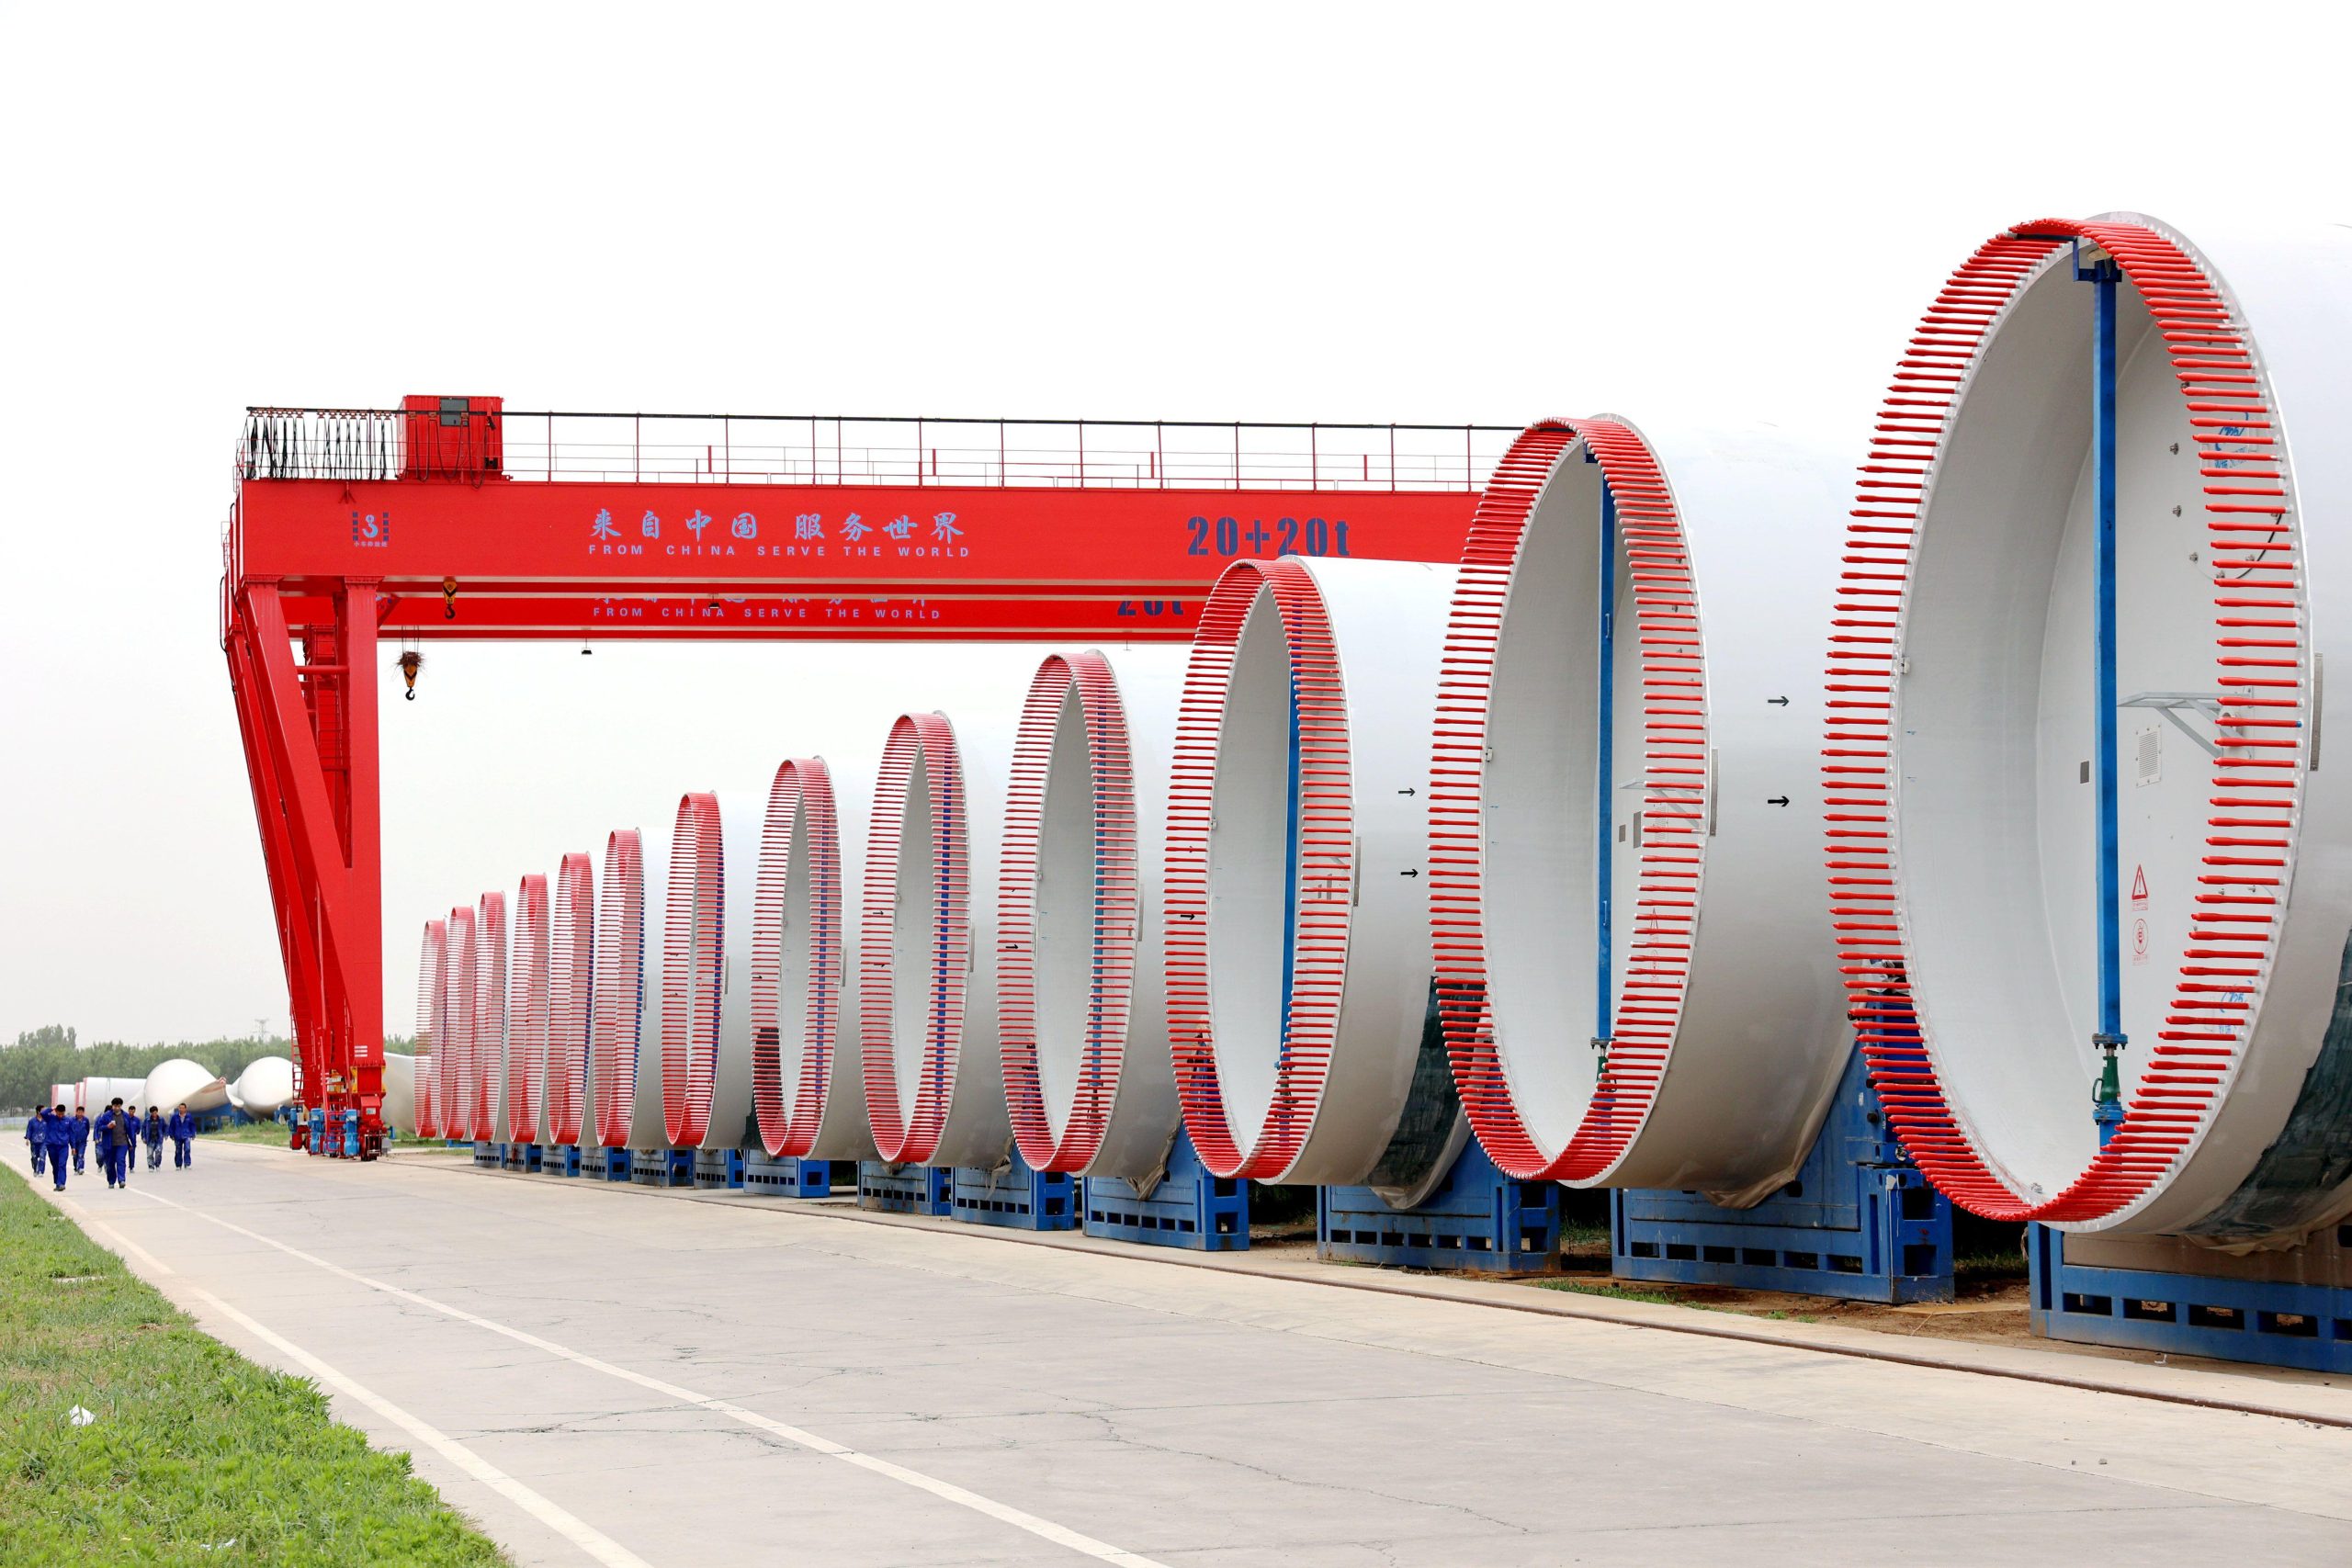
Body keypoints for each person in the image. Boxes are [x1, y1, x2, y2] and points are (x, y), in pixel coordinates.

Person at [42, 1106, 70, 1191]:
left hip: (63, 1146)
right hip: (52, 1146)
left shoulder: (68, 1121)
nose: (61, 1115)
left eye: (62, 1114)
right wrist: (52, 1108)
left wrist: (73, 1147)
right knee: (55, 1165)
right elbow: (43, 1113)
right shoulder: (50, 1118)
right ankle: (57, 1182)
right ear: (56, 1112)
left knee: (62, 1164)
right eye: (59, 1113)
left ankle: (61, 1184)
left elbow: (71, 1134)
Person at [169, 1104, 196, 1169]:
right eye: (180, 1108)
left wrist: (193, 1134)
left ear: (185, 1109)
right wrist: (171, 1135)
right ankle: (178, 1165)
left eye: (183, 1108)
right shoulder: (175, 1117)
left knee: (187, 1149)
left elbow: (192, 1125)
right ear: (178, 1108)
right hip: (177, 1136)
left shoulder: (189, 1116)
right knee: (178, 1150)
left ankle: (187, 1164)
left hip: (187, 1135)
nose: (181, 1109)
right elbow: (172, 1126)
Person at [68, 1106, 90, 1175]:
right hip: (74, 1141)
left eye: (81, 1112)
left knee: (81, 1154)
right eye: (79, 1112)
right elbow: (70, 1131)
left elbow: (88, 1129)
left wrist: (85, 1135)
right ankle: (76, 1168)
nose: (80, 1114)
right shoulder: (72, 1120)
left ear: (83, 1113)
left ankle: (80, 1168)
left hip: (82, 1141)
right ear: (76, 1112)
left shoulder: (86, 1120)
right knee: (75, 1156)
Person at [144, 1105, 165, 1170]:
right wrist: (143, 1137)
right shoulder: (147, 1120)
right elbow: (143, 1129)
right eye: (153, 1113)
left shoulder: (161, 1120)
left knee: (158, 1152)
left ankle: (157, 1164)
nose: (154, 1114)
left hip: (158, 1139)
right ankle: (151, 1166)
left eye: (155, 1112)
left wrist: (166, 1134)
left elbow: (165, 1127)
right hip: (150, 1139)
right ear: (151, 1113)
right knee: (150, 1154)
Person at [23, 1111, 42, 1178]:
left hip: (43, 1142)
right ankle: (35, 1169)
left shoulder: (45, 1120)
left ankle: (40, 1171)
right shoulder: (32, 1121)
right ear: (38, 1112)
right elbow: (29, 1130)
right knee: (34, 1157)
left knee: (42, 1156)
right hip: (34, 1142)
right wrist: (27, 1139)